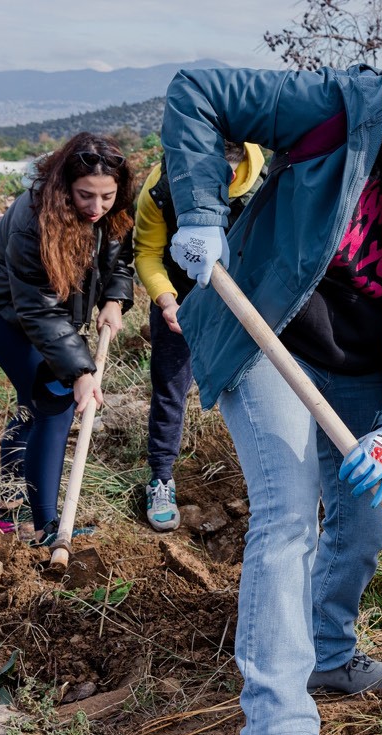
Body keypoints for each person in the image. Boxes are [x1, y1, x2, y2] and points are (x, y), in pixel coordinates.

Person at [158, 0, 382, 735]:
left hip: (366, 370)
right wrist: (199, 209)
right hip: (271, 336)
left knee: (362, 525)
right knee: (288, 513)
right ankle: (279, 717)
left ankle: (328, 654)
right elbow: (195, 90)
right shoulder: (344, 107)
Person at [0, 132, 135, 544]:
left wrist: (115, 299)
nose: (97, 207)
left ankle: (7, 507)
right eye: (85, 195)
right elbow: (37, 309)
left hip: (54, 318)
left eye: (107, 196)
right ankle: (47, 527)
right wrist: (81, 370)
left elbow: (119, 260)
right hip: (9, 317)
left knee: (33, 404)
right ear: (66, 185)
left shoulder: (112, 211)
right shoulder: (33, 219)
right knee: (56, 404)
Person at [131, 140, 266, 531]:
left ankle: (265, 486)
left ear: (233, 172)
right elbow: (147, 251)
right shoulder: (161, 187)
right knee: (170, 388)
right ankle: (160, 477)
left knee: (250, 391)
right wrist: (165, 299)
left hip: (245, 301)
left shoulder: (265, 185)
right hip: (180, 300)